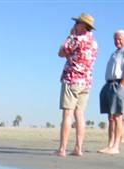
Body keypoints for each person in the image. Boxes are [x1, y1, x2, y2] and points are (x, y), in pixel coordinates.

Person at [54, 13, 98, 157]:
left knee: (68, 113)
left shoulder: (76, 39)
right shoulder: (94, 43)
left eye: (77, 23)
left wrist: (70, 36)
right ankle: (78, 148)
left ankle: (62, 149)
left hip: (72, 79)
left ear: (83, 25)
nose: (75, 25)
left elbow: (60, 53)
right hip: (86, 82)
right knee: (80, 114)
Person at [98, 29, 124, 155]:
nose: (117, 41)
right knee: (110, 117)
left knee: (118, 116)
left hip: (118, 84)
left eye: (119, 38)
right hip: (109, 84)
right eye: (115, 38)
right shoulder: (114, 53)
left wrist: (121, 85)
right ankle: (110, 144)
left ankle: (116, 146)